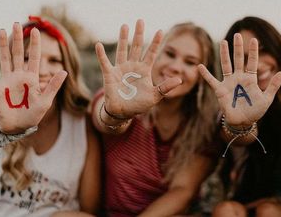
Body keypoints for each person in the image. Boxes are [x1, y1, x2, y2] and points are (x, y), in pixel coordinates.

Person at [0, 17, 101, 217]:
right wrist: (5, 124)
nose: (41, 70)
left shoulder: (82, 126)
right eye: (27, 58)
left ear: (69, 67)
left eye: (54, 60)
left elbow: (89, 210)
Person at [200, 17, 281, 217]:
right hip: (248, 204)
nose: (257, 65)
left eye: (263, 50)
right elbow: (240, 137)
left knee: (268, 212)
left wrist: (279, 201)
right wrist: (242, 124)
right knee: (226, 210)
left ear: (278, 48)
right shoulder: (234, 106)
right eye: (242, 58)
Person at [91, 20, 219, 217]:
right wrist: (117, 113)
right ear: (156, 55)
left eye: (190, 62)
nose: (176, 66)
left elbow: (182, 191)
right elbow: (105, 121)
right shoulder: (120, 96)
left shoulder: (203, 124)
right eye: (169, 54)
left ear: (202, 75)